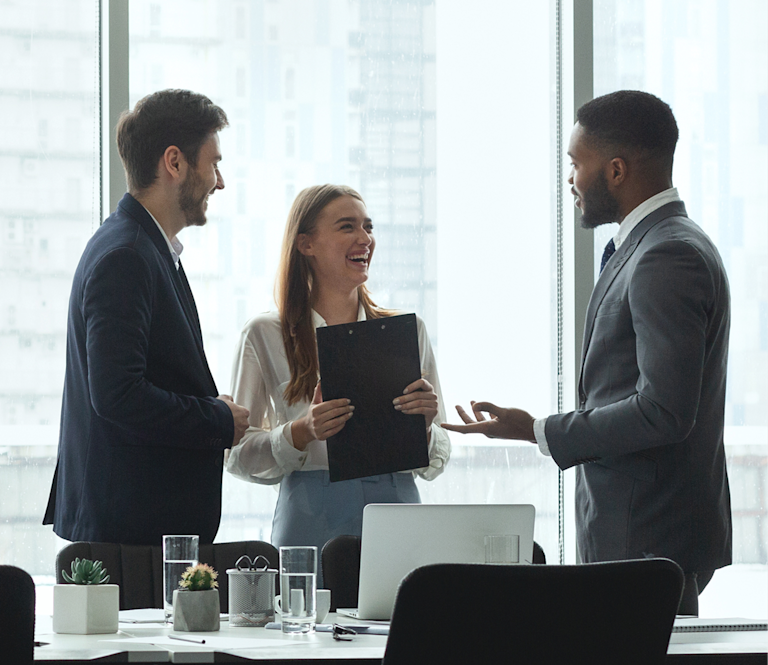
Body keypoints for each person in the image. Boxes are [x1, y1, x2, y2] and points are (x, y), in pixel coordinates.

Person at [444, 90, 731, 615]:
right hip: (642, 536)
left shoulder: (665, 254)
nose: (570, 179)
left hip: (646, 540)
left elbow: (663, 411)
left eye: (577, 163)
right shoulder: (657, 243)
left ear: (616, 169)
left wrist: (541, 430)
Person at [43, 89, 250, 545]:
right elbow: (118, 395)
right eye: (213, 163)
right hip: (130, 537)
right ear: (174, 162)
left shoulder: (138, 247)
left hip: (133, 528)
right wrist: (218, 420)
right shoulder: (128, 255)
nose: (219, 182)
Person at [226, 184, 451, 563]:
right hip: (310, 517)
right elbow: (236, 455)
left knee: (404, 619)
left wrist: (425, 428)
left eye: (368, 226)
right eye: (347, 226)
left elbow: (439, 452)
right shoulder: (264, 334)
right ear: (305, 244)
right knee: (307, 621)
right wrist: (300, 431)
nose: (365, 238)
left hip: (398, 513)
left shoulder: (408, 332)